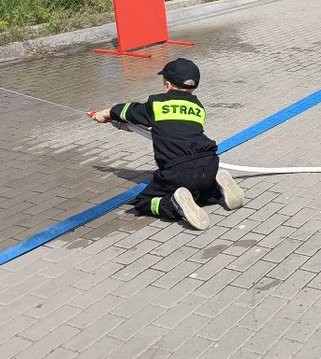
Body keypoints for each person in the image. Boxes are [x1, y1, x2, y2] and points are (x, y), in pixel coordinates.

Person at [90, 58, 245, 231]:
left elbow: (128, 110)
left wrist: (105, 113)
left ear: (168, 85)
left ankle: (173, 206)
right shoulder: (198, 107)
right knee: (196, 191)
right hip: (209, 163)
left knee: (143, 202)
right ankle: (216, 188)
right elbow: (173, 125)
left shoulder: (156, 103)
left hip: (178, 171)